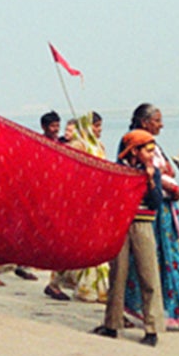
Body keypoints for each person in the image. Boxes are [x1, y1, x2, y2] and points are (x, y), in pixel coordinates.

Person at [120, 104, 179, 332]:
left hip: (162, 211)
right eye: (157, 120)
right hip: (150, 212)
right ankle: (136, 310)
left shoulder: (152, 145)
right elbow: (139, 173)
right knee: (151, 262)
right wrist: (167, 186)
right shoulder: (133, 144)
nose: (161, 125)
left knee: (163, 260)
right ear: (144, 122)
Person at [96, 109, 166, 345]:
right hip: (121, 227)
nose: (151, 154)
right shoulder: (119, 171)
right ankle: (112, 324)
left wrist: (148, 180)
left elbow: (156, 201)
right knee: (118, 275)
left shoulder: (152, 172)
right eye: (147, 150)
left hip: (143, 226)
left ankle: (152, 328)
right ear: (134, 151)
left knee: (149, 275)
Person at [48, 113, 110, 303]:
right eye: (96, 126)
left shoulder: (99, 146)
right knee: (75, 244)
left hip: (97, 202)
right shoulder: (78, 146)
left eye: (100, 126)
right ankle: (57, 282)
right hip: (80, 202)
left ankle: (95, 288)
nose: (99, 130)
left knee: (96, 245)